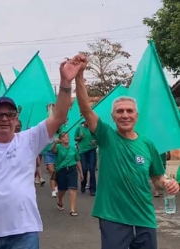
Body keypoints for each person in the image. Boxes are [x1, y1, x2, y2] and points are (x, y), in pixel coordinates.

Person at [0, 56, 83, 249]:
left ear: (16, 119)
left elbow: (59, 116)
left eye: (9, 114)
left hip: (23, 233)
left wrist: (66, 82)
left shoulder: (30, 139)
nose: (4, 119)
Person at [75, 54, 179, 249]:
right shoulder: (106, 137)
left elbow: (157, 177)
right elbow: (86, 109)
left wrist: (167, 183)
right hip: (114, 218)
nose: (125, 115)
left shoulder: (148, 144)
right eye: (120, 111)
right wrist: (79, 75)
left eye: (129, 111)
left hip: (145, 218)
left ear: (136, 116)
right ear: (113, 117)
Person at [51, 132, 83, 216]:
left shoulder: (73, 148)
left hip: (72, 169)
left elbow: (78, 160)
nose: (67, 138)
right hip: (62, 170)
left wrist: (81, 173)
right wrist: (55, 142)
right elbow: (53, 150)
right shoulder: (58, 147)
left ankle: (72, 209)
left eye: (68, 136)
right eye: (64, 137)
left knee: (73, 189)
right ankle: (59, 199)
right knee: (62, 189)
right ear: (60, 139)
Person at [74, 121, 97, 196]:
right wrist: (79, 138)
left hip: (91, 149)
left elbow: (97, 137)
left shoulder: (92, 128)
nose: (88, 123)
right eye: (87, 122)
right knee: (84, 169)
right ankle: (83, 184)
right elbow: (75, 138)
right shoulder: (79, 128)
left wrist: (95, 141)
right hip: (82, 150)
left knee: (92, 169)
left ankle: (92, 188)